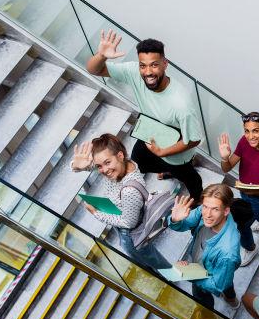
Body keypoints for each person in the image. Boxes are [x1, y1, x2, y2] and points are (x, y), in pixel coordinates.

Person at [86, 30, 204, 203]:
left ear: (165, 64)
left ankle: (197, 198)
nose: (148, 72)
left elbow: (194, 139)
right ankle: (167, 168)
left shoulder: (181, 103)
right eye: (143, 65)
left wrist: (163, 152)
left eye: (154, 65)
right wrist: (102, 55)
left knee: (187, 176)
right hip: (150, 132)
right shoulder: (134, 72)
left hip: (174, 148)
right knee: (140, 161)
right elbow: (93, 69)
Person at [71, 133, 172, 271]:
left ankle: (167, 275)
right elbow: (97, 163)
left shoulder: (128, 190)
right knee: (145, 257)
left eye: (107, 163)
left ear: (120, 156)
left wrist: (96, 213)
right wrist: (77, 166)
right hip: (121, 215)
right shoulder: (124, 163)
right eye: (99, 166)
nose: (104, 170)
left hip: (130, 235)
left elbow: (128, 223)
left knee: (147, 257)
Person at [167, 184, 242, 319]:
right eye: (205, 206)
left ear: (226, 211)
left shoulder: (227, 253)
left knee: (204, 296)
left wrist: (192, 275)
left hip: (207, 272)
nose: (207, 214)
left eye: (215, 209)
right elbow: (185, 224)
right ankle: (232, 300)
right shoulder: (205, 211)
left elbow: (218, 284)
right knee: (226, 278)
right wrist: (175, 220)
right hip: (210, 265)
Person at [217, 112, 259, 267]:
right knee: (258, 212)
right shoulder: (245, 141)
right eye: (247, 130)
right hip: (245, 189)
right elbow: (227, 168)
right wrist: (224, 157)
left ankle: (250, 248)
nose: (250, 136)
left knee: (242, 225)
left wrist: (250, 191)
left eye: (256, 130)